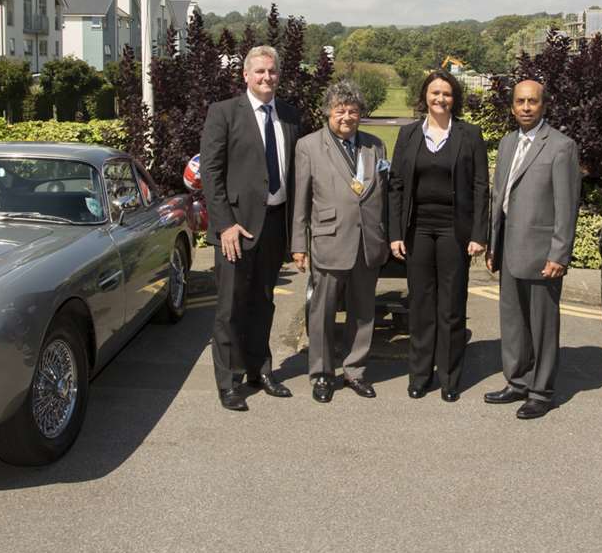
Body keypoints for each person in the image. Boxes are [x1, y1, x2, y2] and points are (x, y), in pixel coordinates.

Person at [199, 45, 300, 411]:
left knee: (263, 303)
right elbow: (210, 174)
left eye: (271, 72)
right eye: (259, 72)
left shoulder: (289, 115)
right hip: (236, 229)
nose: (266, 78)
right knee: (229, 307)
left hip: (275, 224)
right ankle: (229, 382)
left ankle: (260, 370)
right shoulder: (224, 113)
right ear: (245, 75)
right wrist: (224, 225)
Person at [388, 70, 489, 401]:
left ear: (454, 98)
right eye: (435, 93)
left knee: (451, 306)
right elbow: (397, 186)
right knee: (421, 304)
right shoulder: (409, 135)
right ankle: (419, 375)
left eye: (446, 93)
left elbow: (479, 187)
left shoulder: (469, 135)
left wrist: (478, 233)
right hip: (417, 230)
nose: (440, 99)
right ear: (425, 96)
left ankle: (449, 376)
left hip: (453, 231)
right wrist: (395, 233)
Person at [485, 79, 580, 419]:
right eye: (520, 102)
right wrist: (493, 244)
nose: (526, 107)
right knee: (512, 322)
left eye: (533, 102)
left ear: (544, 105)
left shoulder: (560, 146)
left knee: (541, 325)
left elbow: (567, 206)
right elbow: (499, 198)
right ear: (512, 106)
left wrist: (559, 254)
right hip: (509, 248)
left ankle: (541, 392)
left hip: (542, 253)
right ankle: (517, 382)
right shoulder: (508, 143)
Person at [291, 80, 389, 403]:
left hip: (367, 243)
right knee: (322, 313)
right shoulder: (308, 146)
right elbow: (301, 201)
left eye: (353, 110)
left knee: (364, 311)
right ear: (328, 113)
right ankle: (321, 374)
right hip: (329, 241)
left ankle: (355, 370)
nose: (346, 116)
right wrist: (298, 244)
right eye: (340, 110)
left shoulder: (376, 147)